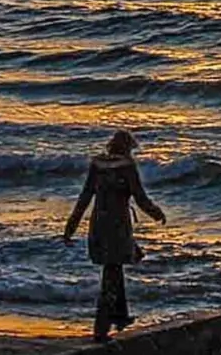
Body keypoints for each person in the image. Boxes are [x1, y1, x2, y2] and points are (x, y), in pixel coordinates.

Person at [63, 130, 167, 342]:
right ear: (128, 148)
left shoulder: (97, 165)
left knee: (113, 269)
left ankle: (119, 317)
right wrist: (157, 213)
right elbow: (140, 198)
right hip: (118, 227)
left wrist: (70, 226)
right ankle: (101, 329)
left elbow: (84, 197)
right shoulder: (127, 167)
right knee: (112, 273)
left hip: (99, 225)